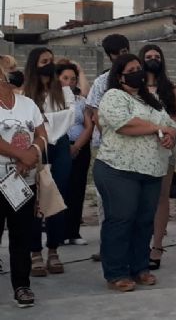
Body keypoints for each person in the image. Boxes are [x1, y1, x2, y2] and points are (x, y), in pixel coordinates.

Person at [93, 54, 176, 292]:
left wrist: (170, 133)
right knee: (121, 219)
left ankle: (140, 267)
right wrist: (157, 128)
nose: (138, 72)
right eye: (132, 69)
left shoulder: (150, 100)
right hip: (118, 169)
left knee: (143, 221)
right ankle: (116, 272)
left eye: (139, 68)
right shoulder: (113, 96)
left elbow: (171, 123)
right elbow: (125, 124)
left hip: (151, 171)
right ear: (120, 76)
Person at [23, 47, 75, 277]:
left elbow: (70, 115)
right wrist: (44, 123)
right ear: (35, 64)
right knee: (34, 199)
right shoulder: (25, 93)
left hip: (58, 146)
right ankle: (35, 252)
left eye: (51, 61)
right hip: (33, 145)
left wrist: (44, 121)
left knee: (58, 196)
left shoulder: (63, 91)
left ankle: (53, 249)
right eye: (44, 61)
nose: (49, 64)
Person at [0, 65, 47, 307]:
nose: (13, 72)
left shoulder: (27, 103)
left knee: (22, 236)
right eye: (7, 69)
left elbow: (41, 133)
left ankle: (22, 286)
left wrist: (33, 152)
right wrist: (22, 155)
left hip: (22, 181)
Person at [138, 44, 176, 271]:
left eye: (157, 56)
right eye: (148, 56)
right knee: (139, 200)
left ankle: (157, 246)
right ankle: (139, 246)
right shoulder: (134, 89)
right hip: (138, 149)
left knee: (161, 198)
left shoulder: (171, 90)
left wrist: (170, 135)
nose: (153, 59)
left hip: (165, 149)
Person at [86, 34, 130, 262]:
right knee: (107, 201)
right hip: (108, 149)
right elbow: (93, 111)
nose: (121, 57)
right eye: (117, 54)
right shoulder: (102, 81)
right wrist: (107, 136)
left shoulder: (136, 78)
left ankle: (130, 247)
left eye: (125, 51)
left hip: (133, 147)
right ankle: (107, 248)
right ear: (110, 56)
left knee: (130, 201)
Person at [56, 61, 94, 247]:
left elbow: (88, 126)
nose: (69, 82)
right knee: (60, 189)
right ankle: (58, 231)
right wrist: (65, 147)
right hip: (59, 147)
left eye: (73, 79)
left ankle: (73, 231)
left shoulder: (81, 101)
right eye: (65, 78)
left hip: (80, 148)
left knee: (77, 189)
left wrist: (77, 146)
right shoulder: (51, 100)